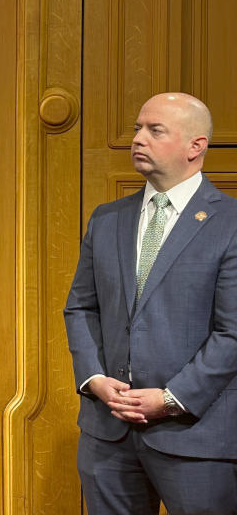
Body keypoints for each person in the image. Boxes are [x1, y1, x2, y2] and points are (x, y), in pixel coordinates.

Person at [63, 92, 237, 514]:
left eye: (155, 130)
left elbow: (232, 332)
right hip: (108, 436)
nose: (138, 138)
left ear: (196, 146)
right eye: (139, 128)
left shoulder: (229, 223)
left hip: (195, 438)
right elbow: (81, 308)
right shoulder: (106, 218)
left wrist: (172, 397)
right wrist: (93, 379)